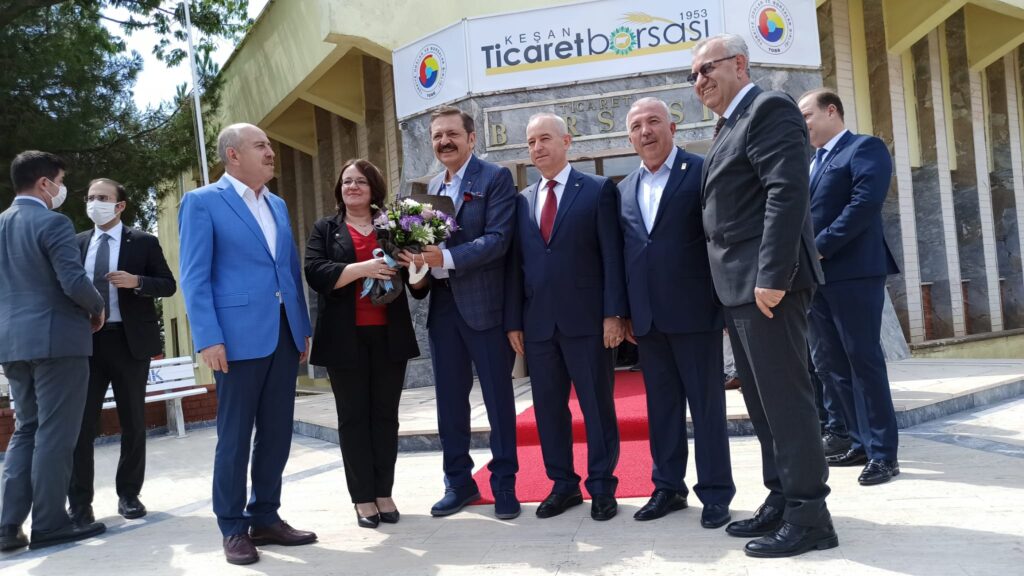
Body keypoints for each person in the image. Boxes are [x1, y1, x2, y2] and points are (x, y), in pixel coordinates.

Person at [694, 34, 837, 558]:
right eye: (693, 75)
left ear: (739, 63)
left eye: (707, 68)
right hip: (739, 288)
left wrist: (773, 275)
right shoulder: (729, 124)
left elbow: (786, 191)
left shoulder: (768, 108)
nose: (699, 81)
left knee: (786, 402)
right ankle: (782, 496)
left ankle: (810, 516)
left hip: (767, 287)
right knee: (762, 404)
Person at [179, 123, 316, 565]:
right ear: (233, 155)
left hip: (282, 335)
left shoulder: (277, 203)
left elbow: (287, 270)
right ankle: (233, 527)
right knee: (235, 438)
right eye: (261, 146)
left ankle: (266, 517)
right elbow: (195, 277)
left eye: (270, 145)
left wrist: (301, 326)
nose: (271, 152)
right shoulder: (202, 202)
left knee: (276, 434)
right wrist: (209, 338)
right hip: (235, 340)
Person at [617, 97, 736, 528]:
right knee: (662, 409)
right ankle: (668, 487)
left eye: (653, 122)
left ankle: (716, 493)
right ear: (630, 138)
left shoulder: (700, 171)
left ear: (672, 128)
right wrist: (624, 312)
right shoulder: (624, 188)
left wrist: (725, 303)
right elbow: (625, 254)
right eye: (636, 126)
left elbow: (720, 238)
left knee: (707, 409)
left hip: (697, 314)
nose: (645, 131)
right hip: (648, 321)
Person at [399, 106, 520, 520]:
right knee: (449, 403)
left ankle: (504, 484)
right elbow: (424, 248)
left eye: (451, 134)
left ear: (471, 138)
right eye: (437, 136)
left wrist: (445, 258)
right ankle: (458, 483)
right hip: (443, 309)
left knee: (498, 400)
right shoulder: (429, 189)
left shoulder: (495, 178)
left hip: (485, 308)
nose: (444, 142)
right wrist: (415, 265)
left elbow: (498, 240)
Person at [504, 113, 626, 521]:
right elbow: (516, 267)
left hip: (587, 323)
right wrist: (514, 321)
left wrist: (614, 314)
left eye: (544, 139)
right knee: (548, 410)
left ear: (566, 141)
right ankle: (563, 485)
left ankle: (602, 486)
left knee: (596, 406)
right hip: (538, 326)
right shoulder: (522, 200)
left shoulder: (597, 190)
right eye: (531, 142)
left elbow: (612, 257)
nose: (537, 148)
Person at [0, 151, 107, 551]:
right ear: (44, 183)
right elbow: (73, 281)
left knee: (26, 429)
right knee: (56, 433)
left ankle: (8, 526)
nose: (62, 189)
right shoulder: (53, 222)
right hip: (58, 340)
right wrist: (97, 306)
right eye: (60, 182)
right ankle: (49, 523)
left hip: (12, 343)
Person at [304, 158, 419, 528]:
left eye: (360, 182)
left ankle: (384, 492)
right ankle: (363, 499)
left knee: (385, 417)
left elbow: (418, 285)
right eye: (346, 181)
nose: (352, 187)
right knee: (353, 419)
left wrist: (419, 264)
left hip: (389, 336)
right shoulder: (326, 228)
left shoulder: (394, 227)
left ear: (374, 189)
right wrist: (362, 269)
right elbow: (316, 273)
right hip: (344, 339)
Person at [798, 88, 901, 485]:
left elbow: (863, 205)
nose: (803, 124)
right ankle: (859, 442)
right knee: (832, 365)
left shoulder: (864, 148)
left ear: (831, 111)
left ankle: (883, 454)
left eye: (806, 115)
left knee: (863, 360)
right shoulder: (811, 162)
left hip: (854, 273)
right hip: (816, 278)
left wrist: (818, 248)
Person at [68, 178, 177, 526]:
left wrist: (138, 282)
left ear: (120, 205)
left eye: (102, 197)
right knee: (81, 425)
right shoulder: (77, 243)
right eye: (90, 197)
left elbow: (168, 285)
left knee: (133, 421)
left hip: (130, 343)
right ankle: (79, 503)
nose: (94, 203)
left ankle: (129, 494)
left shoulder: (143, 242)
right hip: (87, 344)